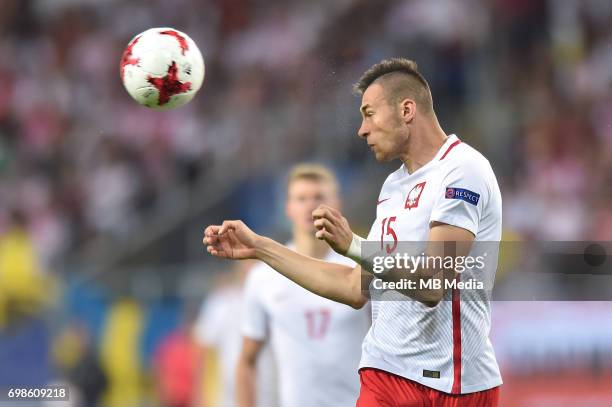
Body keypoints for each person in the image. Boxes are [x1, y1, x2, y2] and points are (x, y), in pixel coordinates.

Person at [203, 58, 502, 407]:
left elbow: (433, 284)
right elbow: (353, 286)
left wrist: (354, 245)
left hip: (454, 385)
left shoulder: (462, 170)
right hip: (385, 373)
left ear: (407, 110)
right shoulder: (393, 187)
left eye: (369, 113)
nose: (362, 129)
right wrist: (260, 248)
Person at [236, 164, 371, 407]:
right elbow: (247, 360)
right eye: (301, 198)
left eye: (319, 197)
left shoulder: (361, 265)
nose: (310, 206)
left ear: (337, 204)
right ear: (287, 208)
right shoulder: (263, 275)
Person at [192, 261, 277, 407]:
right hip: (228, 397)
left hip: (268, 394)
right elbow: (202, 349)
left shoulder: (274, 301)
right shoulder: (221, 301)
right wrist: (199, 396)